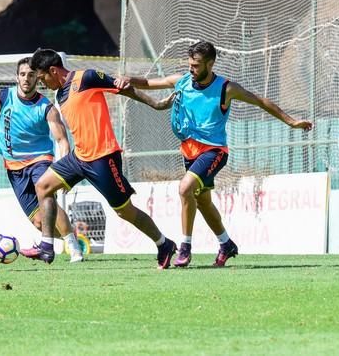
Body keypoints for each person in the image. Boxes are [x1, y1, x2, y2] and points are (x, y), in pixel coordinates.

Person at [116, 40, 313, 267]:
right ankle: (226, 244)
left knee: (185, 188)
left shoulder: (225, 88)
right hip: (189, 152)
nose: (192, 69)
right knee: (202, 201)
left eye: (197, 65)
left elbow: (260, 101)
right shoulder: (182, 82)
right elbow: (150, 83)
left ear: (210, 64)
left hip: (214, 151)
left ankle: (185, 248)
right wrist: (128, 80)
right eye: (190, 64)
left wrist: (292, 122)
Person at [27, 48, 178, 268]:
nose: (42, 83)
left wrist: (155, 104)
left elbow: (123, 88)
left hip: (102, 157)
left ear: (53, 70)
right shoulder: (60, 94)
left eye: (42, 78)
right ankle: (47, 246)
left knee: (124, 210)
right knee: (43, 186)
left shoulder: (87, 77)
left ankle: (164, 244)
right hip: (78, 157)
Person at [0, 57, 83, 263]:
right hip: (13, 167)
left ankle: (73, 249)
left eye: (31, 74)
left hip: (39, 160)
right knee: (38, 221)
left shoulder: (47, 107)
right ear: (16, 77)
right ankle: (69, 239)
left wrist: (63, 171)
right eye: (23, 74)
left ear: (38, 78)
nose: (26, 78)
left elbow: (62, 141)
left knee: (47, 195)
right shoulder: (2, 97)